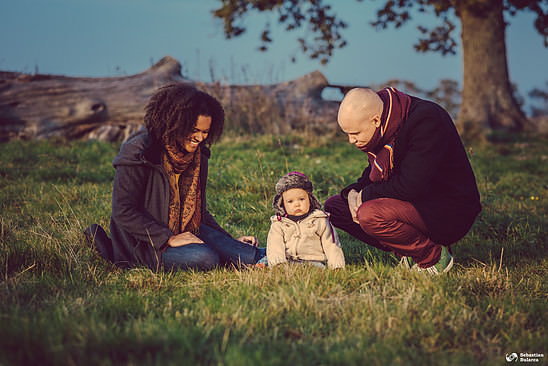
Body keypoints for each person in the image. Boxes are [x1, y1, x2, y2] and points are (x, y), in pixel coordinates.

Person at [84, 83, 266, 271]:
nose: (200, 138)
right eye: (194, 130)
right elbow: (123, 211)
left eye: (205, 132)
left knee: (246, 253)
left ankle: (277, 258)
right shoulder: (139, 151)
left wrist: (228, 240)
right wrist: (168, 238)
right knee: (205, 258)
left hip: (187, 231)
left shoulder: (199, 155)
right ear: (175, 123)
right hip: (145, 245)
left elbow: (199, 213)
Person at [324, 87, 481, 274]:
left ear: (375, 120)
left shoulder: (427, 120)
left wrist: (365, 195)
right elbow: (374, 173)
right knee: (335, 208)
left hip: (447, 208)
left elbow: (410, 185)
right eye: (347, 134)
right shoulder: (387, 119)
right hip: (413, 202)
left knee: (370, 215)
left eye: (355, 133)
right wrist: (352, 193)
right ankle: (408, 249)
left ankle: (433, 257)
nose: (351, 140)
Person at [266, 171, 345, 269]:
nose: (297, 204)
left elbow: (331, 245)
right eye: (290, 201)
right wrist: (278, 265)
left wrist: (337, 266)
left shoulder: (319, 220)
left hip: (314, 262)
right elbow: (274, 246)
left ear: (310, 199)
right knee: (267, 259)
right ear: (282, 204)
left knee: (316, 268)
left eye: (301, 199)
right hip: (288, 262)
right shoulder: (279, 224)